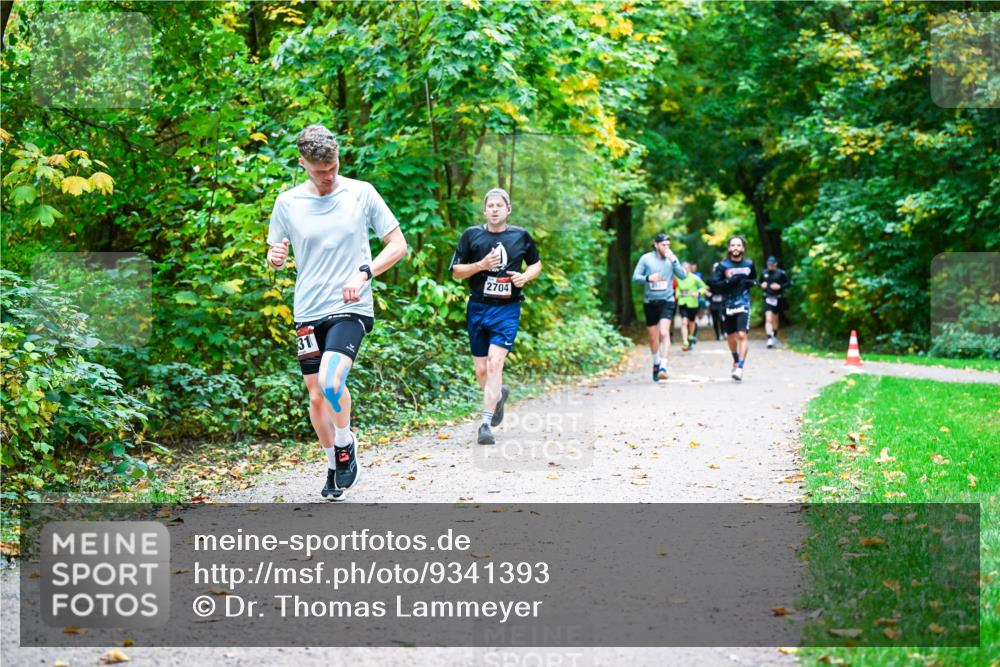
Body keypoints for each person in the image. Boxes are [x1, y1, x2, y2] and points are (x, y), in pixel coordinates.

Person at [266, 124, 407, 500]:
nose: (327, 177)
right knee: (316, 398)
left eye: (332, 169)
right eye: (318, 172)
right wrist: (275, 257)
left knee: (331, 382)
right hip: (307, 308)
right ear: (303, 165)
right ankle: (333, 464)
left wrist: (365, 272)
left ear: (338, 159)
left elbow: (397, 245)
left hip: (350, 306)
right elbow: (275, 253)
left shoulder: (361, 193)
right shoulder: (288, 202)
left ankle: (345, 445)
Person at [450, 188, 542, 445]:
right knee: (481, 371)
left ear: (508, 209)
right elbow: (456, 271)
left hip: (507, 309)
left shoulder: (521, 236)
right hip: (478, 308)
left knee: (494, 364)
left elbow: (536, 263)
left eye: (499, 205)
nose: (494, 209)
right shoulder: (471, 235)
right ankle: (498, 395)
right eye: (490, 205)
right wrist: (481, 265)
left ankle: (485, 424)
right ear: (484, 210)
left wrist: (526, 276)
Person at [632, 233, 687, 381]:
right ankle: (656, 363)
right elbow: (635, 278)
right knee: (653, 337)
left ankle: (663, 365)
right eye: (663, 245)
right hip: (650, 302)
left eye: (668, 245)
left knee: (664, 332)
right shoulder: (646, 259)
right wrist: (648, 278)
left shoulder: (671, 260)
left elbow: (683, 276)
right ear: (656, 245)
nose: (666, 247)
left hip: (667, 301)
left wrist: (674, 260)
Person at [709, 236, 756, 382]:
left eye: (738, 245)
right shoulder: (723, 265)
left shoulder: (749, 263)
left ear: (743, 248)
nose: (736, 248)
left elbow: (754, 279)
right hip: (727, 304)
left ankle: (740, 367)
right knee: (730, 336)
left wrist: (748, 283)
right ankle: (735, 358)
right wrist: (729, 281)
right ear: (729, 248)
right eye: (733, 245)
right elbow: (714, 284)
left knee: (742, 335)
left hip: (743, 302)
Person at [675, 262, 709, 351]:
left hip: (693, 303)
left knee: (691, 322)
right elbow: (677, 287)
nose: (685, 270)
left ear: (690, 269)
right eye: (683, 268)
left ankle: (690, 336)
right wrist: (677, 293)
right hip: (682, 302)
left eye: (687, 268)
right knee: (684, 322)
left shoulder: (694, 278)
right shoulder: (678, 278)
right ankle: (685, 341)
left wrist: (698, 292)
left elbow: (705, 287)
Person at [760, 256, 790, 348]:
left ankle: (774, 335)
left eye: (772, 264)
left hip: (778, 298)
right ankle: (769, 338)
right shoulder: (764, 273)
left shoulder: (781, 273)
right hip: (767, 298)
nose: (770, 266)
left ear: (775, 264)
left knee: (775, 319)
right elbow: (759, 282)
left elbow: (788, 284)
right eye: (769, 264)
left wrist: (780, 286)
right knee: (768, 318)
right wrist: (761, 285)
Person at [708, 262, 726, 341]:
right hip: (713, 301)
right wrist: (708, 297)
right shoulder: (710, 279)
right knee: (714, 319)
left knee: (721, 317)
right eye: (715, 268)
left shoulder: (724, 279)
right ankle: (717, 335)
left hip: (722, 301)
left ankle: (723, 332)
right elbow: (707, 289)